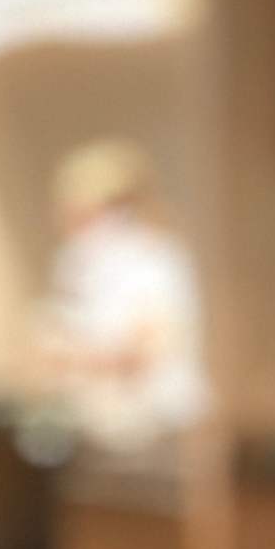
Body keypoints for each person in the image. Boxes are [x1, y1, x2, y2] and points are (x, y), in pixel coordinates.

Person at [36, 140, 207, 456]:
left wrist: (81, 357)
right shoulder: (76, 262)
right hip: (93, 427)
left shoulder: (155, 260)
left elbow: (142, 353)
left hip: (154, 426)